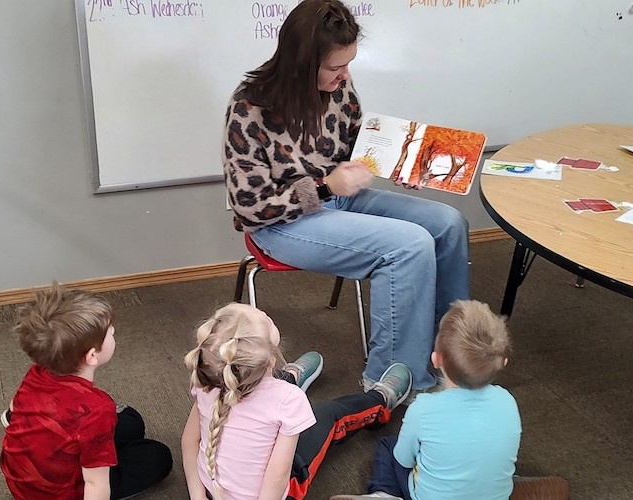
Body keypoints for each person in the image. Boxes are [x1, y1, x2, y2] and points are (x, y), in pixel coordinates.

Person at [221, 0, 469, 399]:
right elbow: (250, 207)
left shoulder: (338, 88)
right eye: (336, 67)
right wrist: (324, 188)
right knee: (408, 246)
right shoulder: (250, 107)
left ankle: (454, 356)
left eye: (348, 63)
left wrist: (401, 164)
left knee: (448, 224)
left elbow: (355, 148)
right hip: (281, 223)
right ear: (304, 64)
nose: (345, 75)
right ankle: (391, 380)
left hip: (340, 200)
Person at [331, 300, 570, 500]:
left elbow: (403, 458)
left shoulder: (424, 408)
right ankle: (506, 488)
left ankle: (384, 495)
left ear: (436, 360)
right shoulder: (508, 402)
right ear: (503, 363)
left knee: (388, 447)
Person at [181, 303, 413, 500]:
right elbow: (278, 476)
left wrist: (198, 496)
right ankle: (380, 399)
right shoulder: (289, 400)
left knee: (268, 393)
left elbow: (189, 441)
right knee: (330, 414)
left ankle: (289, 378)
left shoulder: (207, 381)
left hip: (208, 489)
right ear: (272, 360)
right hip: (280, 491)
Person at [0, 284, 173, 499]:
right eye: (112, 333)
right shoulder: (97, 409)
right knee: (157, 456)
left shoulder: (38, 370)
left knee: (131, 421)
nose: (114, 336)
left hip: (23, 481)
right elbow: (94, 482)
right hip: (65, 493)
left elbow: (14, 409)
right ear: (92, 355)